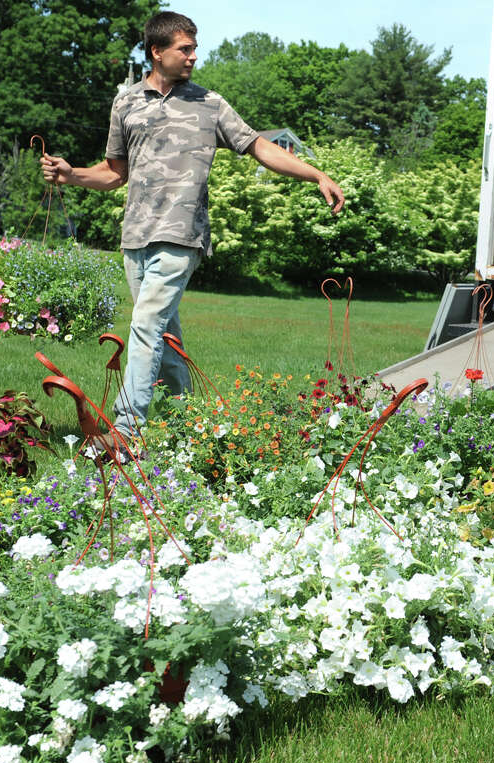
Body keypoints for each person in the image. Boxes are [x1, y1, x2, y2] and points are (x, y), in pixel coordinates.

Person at [41, 11, 344, 452]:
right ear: (156, 51)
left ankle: (126, 432)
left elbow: (259, 145)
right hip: (135, 238)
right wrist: (71, 175)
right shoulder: (125, 103)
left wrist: (315, 174)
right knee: (165, 337)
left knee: (145, 326)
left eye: (194, 48)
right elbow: (113, 173)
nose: (193, 57)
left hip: (181, 235)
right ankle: (188, 424)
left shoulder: (210, 104)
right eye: (184, 49)